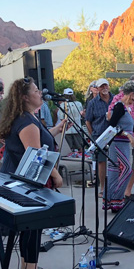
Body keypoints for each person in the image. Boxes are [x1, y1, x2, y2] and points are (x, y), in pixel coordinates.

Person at [0, 77, 65, 268]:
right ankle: (29, 266)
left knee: (30, 230)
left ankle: (26, 266)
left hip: (17, 181)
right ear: (25, 97)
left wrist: (55, 130)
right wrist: (56, 174)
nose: (40, 93)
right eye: (36, 90)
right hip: (26, 184)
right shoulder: (27, 121)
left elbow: (35, 142)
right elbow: (37, 156)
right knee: (32, 229)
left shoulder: (26, 117)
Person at [105, 80, 134, 212]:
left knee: (116, 172)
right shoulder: (119, 106)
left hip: (124, 144)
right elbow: (112, 125)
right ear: (131, 94)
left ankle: (115, 203)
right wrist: (126, 134)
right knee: (126, 170)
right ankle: (117, 197)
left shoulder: (126, 108)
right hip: (117, 143)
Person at [86, 78, 113, 196]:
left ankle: (115, 186)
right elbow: (88, 121)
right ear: (97, 89)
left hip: (114, 134)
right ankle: (103, 188)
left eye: (106, 85)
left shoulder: (115, 99)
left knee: (116, 161)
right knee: (101, 162)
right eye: (101, 86)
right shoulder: (92, 103)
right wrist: (93, 135)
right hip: (99, 136)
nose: (104, 88)